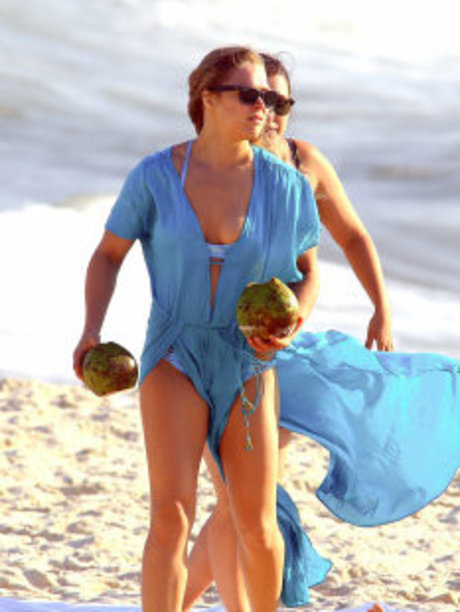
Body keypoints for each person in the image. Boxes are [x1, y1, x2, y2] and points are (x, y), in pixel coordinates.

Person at [183, 52, 460, 610]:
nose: (271, 112)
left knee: (244, 499)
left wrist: (381, 307)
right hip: (213, 348)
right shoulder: (216, 167)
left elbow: (351, 237)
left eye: (281, 102)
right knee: (237, 499)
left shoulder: (304, 163)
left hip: (281, 349)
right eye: (259, 99)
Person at [73, 46, 323, 612]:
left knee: (255, 520)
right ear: (207, 96)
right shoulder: (155, 176)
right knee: (171, 513)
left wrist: (291, 323)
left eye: (271, 98)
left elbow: (307, 273)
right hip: (173, 352)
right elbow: (108, 255)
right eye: (249, 94)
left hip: (249, 360)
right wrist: (91, 330)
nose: (263, 107)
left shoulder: (286, 186)